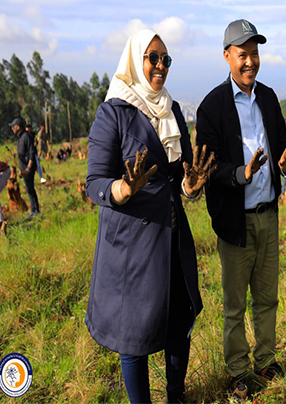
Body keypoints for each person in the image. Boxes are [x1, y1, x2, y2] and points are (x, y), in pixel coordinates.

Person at [85, 29, 215, 403]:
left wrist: (191, 187)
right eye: (153, 58)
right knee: (134, 336)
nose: (160, 66)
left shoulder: (172, 110)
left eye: (166, 60)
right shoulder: (114, 111)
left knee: (179, 323)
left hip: (171, 237)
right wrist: (122, 190)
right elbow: (95, 181)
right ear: (134, 60)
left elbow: (183, 176)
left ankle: (177, 396)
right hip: (131, 246)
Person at [196, 19, 286, 399]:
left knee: (268, 296)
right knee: (235, 303)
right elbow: (208, 166)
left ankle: (266, 359)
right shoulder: (211, 107)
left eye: (255, 54)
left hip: (268, 215)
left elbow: (283, 145)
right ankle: (238, 370)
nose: (250, 62)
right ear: (227, 57)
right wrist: (241, 172)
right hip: (234, 221)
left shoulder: (269, 98)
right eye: (243, 55)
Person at [9, 117, 40, 217]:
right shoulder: (19, 137)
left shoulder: (27, 137)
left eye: (13, 126)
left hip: (28, 167)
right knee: (28, 189)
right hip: (23, 168)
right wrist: (20, 170)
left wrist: (28, 169)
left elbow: (32, 153)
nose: (12, 128)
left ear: (18, 127)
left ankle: (36, 210)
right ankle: (34, 210)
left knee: (30, 188)